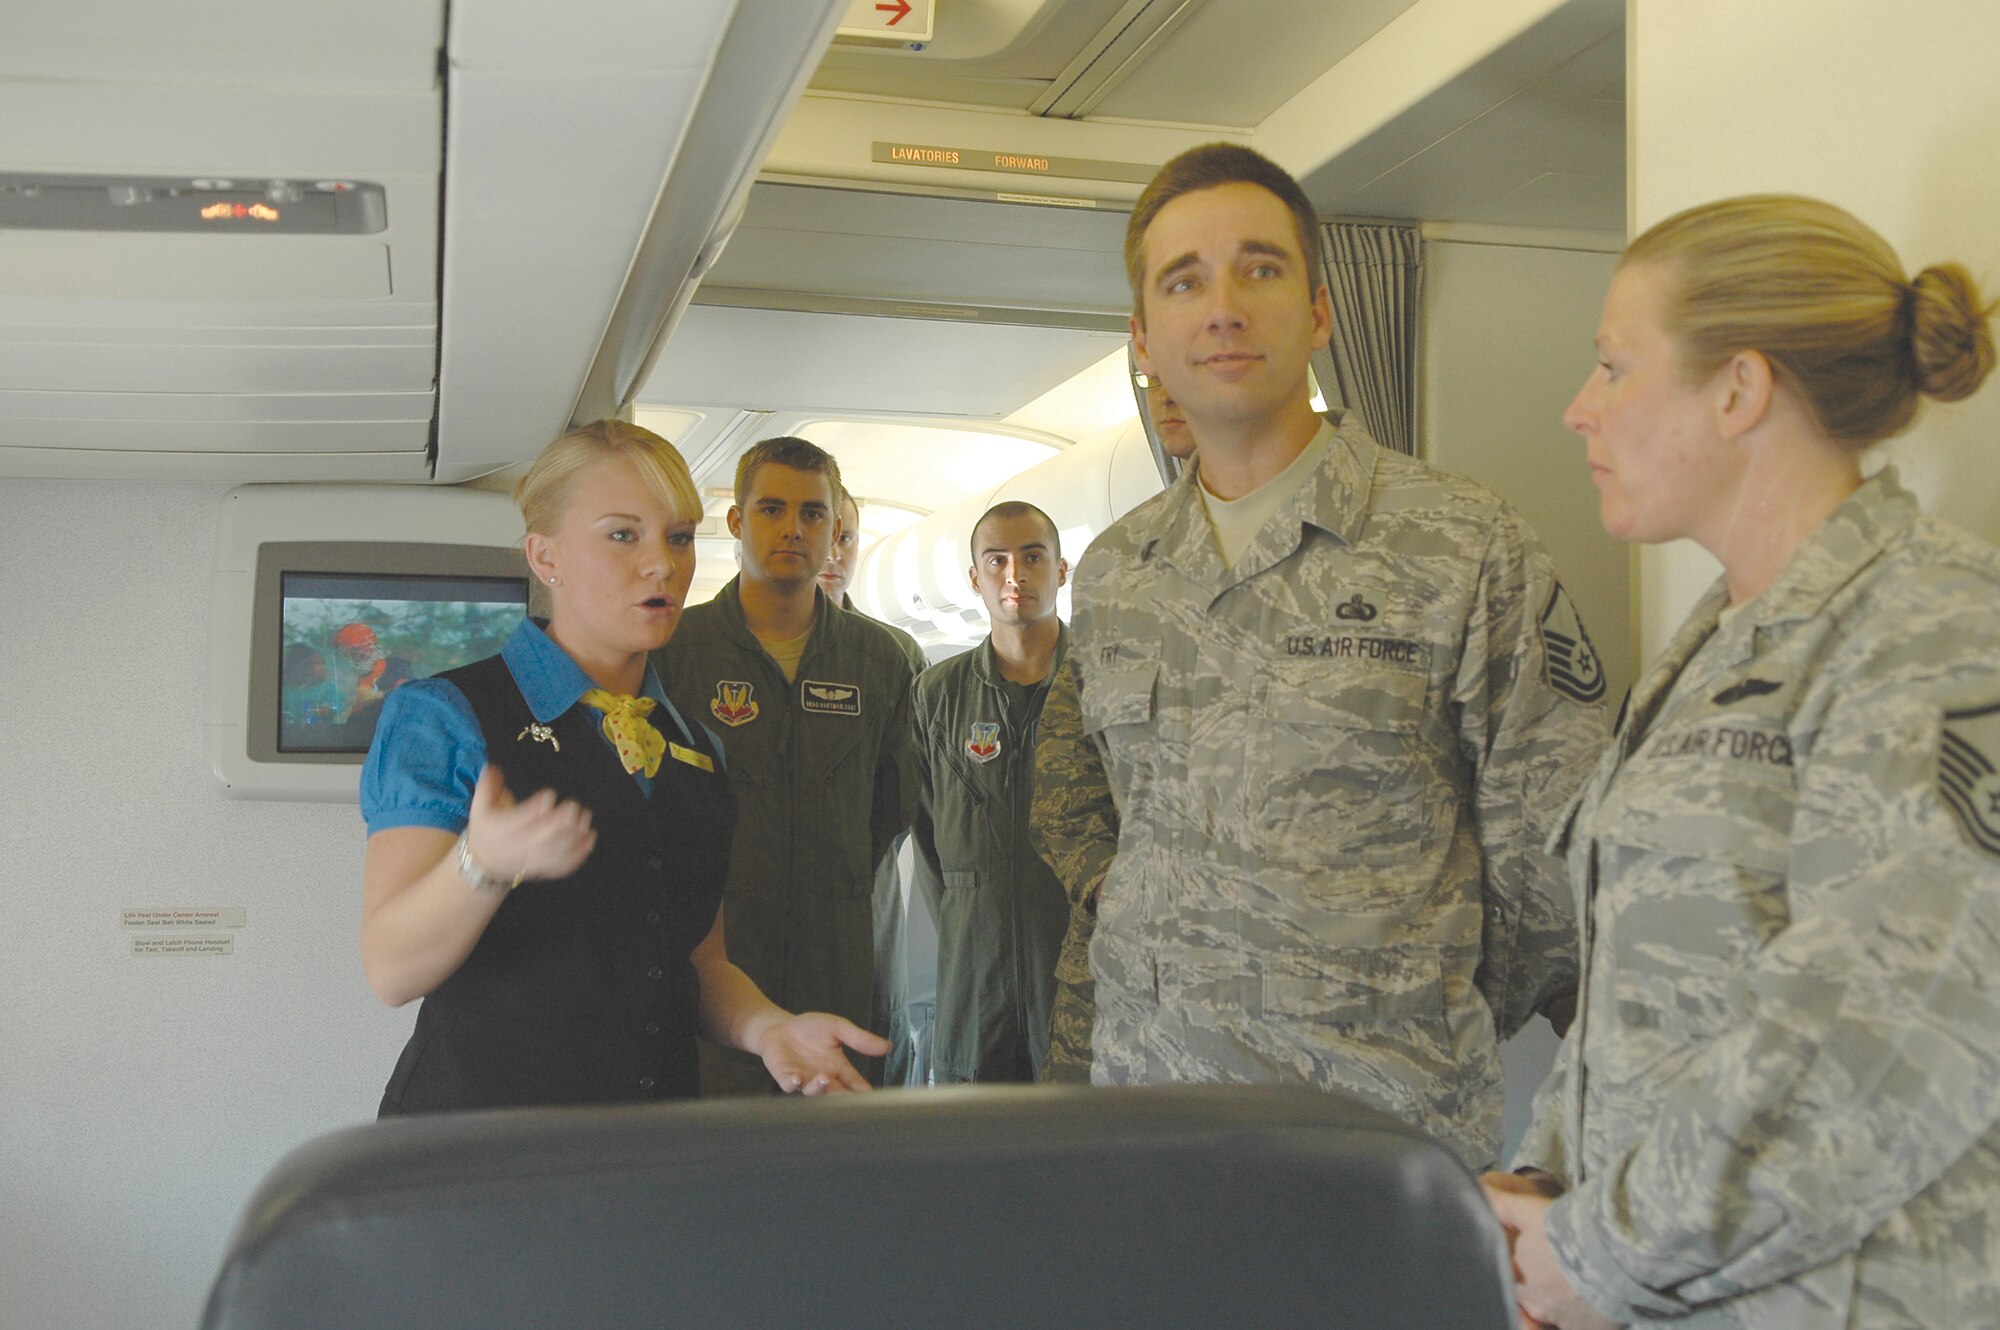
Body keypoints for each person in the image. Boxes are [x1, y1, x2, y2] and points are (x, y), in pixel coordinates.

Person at [1482, 196, 2000, 1330]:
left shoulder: (1936, 631)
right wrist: (1545, 1186)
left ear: (1737, 389)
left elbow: (1879, 1041)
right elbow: (1642, 993)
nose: (1578, 410)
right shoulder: (1718, 641)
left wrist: (1597, 1249)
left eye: (1613, 366)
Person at [1071, 142, 1606, 1167]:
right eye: (1183, 281)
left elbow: (1548, 857)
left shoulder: (1458, 541)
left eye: (1258, 268)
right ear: (1144, 339)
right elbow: (1136, 824)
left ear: (1319, 310)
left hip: (1375, 1129)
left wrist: (1409, 1011)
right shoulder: (1114, 572)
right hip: (1153, 1120)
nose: (1222, 306)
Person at [358, 420, 887, 1114]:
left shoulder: (695, 746)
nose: (663, 565)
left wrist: (769, 1028)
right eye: (622, 535)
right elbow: (391, 969)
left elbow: (698, 963)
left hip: (645, 1147)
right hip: (480, 1152)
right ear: (545, 556)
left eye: (678, 537)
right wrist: (480, 865)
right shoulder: (447, 717)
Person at [654, 436, 919, 1093]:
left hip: (838, 964)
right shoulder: (675, 654)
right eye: (772, 510)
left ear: (834, 528)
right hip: (709, 967)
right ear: (738, 522)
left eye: (813, 514)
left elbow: (893, 810)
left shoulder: (879, 661)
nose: (793, 529)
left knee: (832, 1169)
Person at [1032, 375, 1194, 1084]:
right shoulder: (1118, 569)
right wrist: (1110, 887)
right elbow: (1064, 787)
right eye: (1151, 378)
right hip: (1122, 986)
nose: (1166, 393)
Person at [910, 501, 1071, 1082]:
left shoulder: (1100, 686)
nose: (1015, 575)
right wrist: (969, 919)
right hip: (974, 981)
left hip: (1080, 972)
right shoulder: (937, 695)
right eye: (996, 560)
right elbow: (927, 841)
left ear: (1061, 569)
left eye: (1033, 556)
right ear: (975, 578)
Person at [819, 488, 929, 1083]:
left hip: (865, 898)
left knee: (869, 1046)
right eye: (822, 530)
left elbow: (909, 796)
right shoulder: (701, 645)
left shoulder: (894, 654)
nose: (833, 551)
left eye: (847, 536)